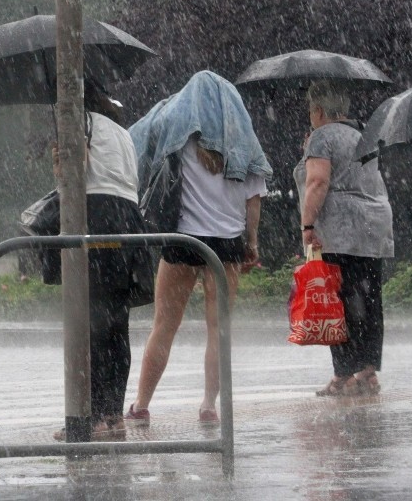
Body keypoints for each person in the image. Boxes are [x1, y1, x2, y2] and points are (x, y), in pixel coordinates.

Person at [125, 71, 272, 425]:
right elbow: (254, 201)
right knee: (218, 329)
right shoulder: (245, 144)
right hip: (228, 244)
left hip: (184, 240)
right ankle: (208, 405)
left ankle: (142, 404)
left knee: (164, 324)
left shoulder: (179, 139)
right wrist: (251, 243)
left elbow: (147, 146)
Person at [47, 78, 151, 440]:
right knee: (116, 324)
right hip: (128, 222)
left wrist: (61, 165)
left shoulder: (81, 123)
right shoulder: (121, 132)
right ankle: (112, 413)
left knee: (90, 323)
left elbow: (76, 175)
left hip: (97, 216)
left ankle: (89, 417)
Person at [294, 79, 394, 397]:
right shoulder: (364, 133)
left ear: (319, 111)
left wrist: (307, 225)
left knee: (339, 302)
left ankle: (342, 374)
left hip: (341, 228)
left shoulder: (322, 136)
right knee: (368, 298)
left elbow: (318, 182)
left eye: (311, 110)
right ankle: (367, 371)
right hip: (374, 225)